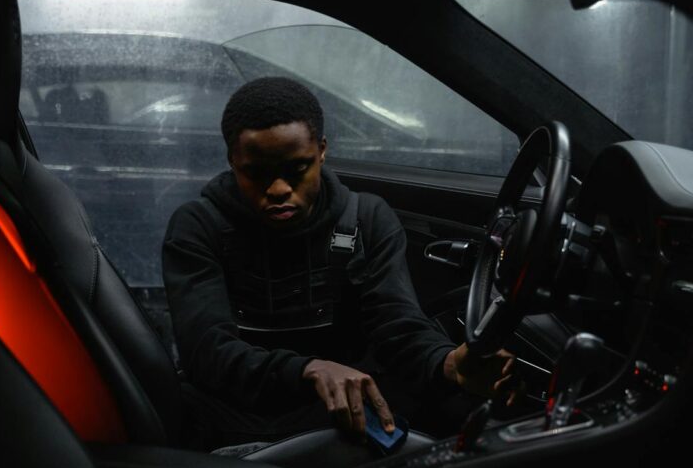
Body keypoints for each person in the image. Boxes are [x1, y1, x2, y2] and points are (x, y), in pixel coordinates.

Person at [163, 77, 511, 449]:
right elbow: (208, 352)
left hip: (346, 412)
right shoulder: (198, 227)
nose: (278, 189)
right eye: (257, 173)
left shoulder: (366, 219)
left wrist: (446, 363)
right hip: (233, 417)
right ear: (232, 160)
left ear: (322, 151)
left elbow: (397, 324)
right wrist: (308, 370)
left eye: (297, 169)